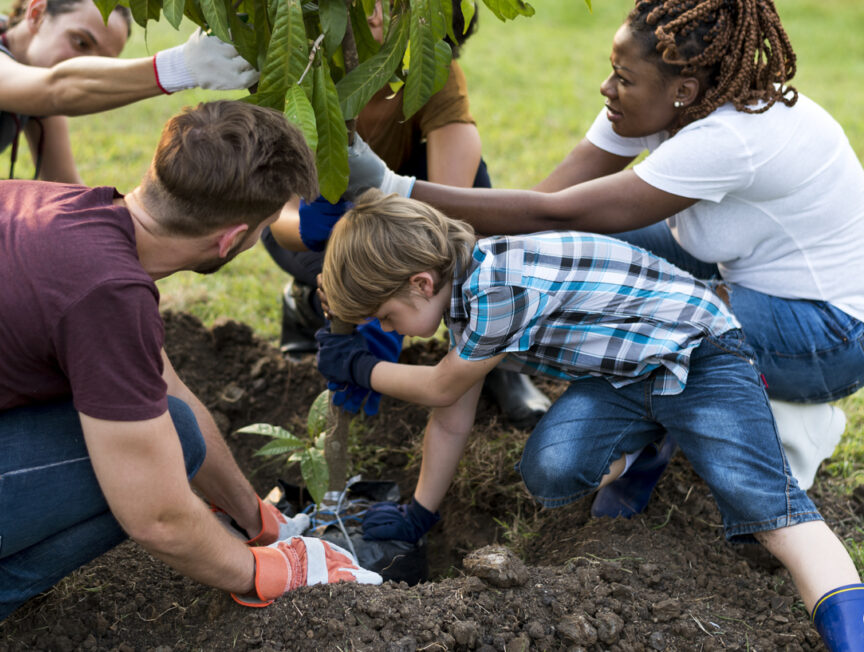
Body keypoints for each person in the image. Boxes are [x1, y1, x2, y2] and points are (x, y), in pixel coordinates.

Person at [0, 101, 382, 651]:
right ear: (230, 239)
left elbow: (162, 384)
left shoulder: (70, 213)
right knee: (152, 463)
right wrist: (268, 571)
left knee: (168, 432)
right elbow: (158, 519)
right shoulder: (105, 294)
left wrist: (257, 519)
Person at [344, 0, 864, 491]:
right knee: (562, 264)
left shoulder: (731, 137)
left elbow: (557, 211)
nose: (606, 87)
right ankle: (687, 391)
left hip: (829, 333)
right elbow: (547, 210)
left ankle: (776, 413)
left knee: (579, 434)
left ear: (682, 88)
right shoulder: (654, 101)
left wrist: (395, 188)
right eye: (614, 70)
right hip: (739, 277)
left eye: (623, 79)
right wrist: (430, 265)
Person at [314, 190, 864, 650]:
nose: (399, 331)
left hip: (699, 355)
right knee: (549, 470)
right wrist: (418, 516)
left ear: (420, 283)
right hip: (623, 376)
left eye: (387, 316)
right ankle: (654, 438)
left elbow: (439, 384)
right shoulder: (469, 307)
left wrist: (362, 367)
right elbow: (450, 415)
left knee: (772, 515)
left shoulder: (496, 285)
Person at [263, 0, 551, 426]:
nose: (375, 13)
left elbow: (453, 203)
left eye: (390, 2)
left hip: (407, 222)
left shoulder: (427, 63)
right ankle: (308, 304)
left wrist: (395, 272)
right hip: (320, 227)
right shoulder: (299, 70)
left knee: (476, 197)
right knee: (338, 272)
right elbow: (273, 217)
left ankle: (495, 359)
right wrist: (314, 230)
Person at [0, 0, 258, 236]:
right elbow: (56, 88)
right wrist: (180, 68)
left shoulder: (28, 75)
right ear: (37, 13)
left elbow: (66, 191)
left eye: (103, 61)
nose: (89, 66)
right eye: (80, 42)